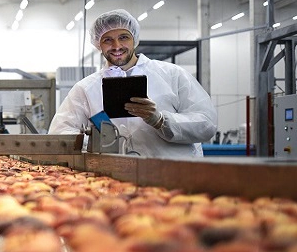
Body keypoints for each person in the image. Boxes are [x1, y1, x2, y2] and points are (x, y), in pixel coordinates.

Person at [48, 9, 217, 158]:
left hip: (174, 176)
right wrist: (95, 142)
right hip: (114, 181)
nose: (116, 46)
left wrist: (160, 121)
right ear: (98, 45)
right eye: (107, 40)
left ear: (134, 39)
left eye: (123, 37)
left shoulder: (172, 75)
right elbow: (60, 134)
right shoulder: (86, 88)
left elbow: (206, 124)